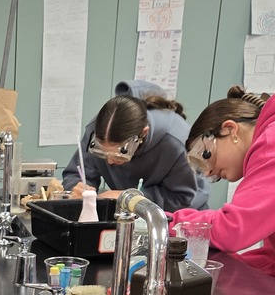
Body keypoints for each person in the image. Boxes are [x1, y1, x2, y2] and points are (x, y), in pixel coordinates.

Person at [169, 85, 275, 277]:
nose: (209, 171)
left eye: (205, 154)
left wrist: (170, 223)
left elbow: (233, 228)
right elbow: (271, 259)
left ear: (230, 129)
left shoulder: (270, 145)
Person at [62, 80, 208, 211]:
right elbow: (75, 174)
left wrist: (129, 197)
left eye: (120, 153)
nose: (110, 162)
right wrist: (77, 187)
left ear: (143, 134)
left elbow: (181, 199)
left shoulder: (176, 141)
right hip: (128, 213)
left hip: (181, 219)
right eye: (102, 153)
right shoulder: (98, 129)